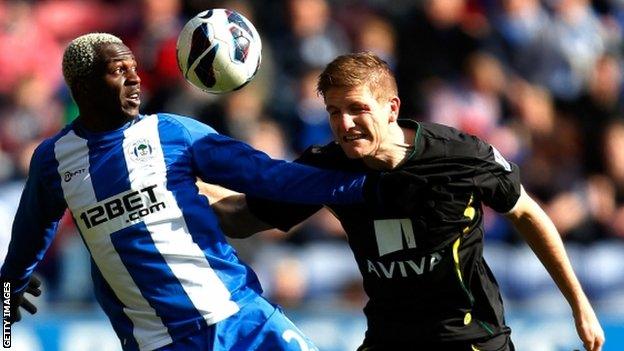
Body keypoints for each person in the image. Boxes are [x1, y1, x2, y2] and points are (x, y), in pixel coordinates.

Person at [0, 33, 420, 351]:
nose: (134, 79)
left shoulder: (173, 133)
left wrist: (367, 183)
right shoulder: (54, 160)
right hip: (158, 341)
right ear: (84, 86)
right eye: (118, 70)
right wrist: (5, 305)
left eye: (133, 67)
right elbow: (27, 240)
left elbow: (272, 177)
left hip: (241, 318)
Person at [210, 52, 606, 351]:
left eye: (357, 109)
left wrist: (579, 305)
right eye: (334, 112)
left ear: (391, 108)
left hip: (468, 338)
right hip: (389, 340)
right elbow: (245, 216)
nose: (345, 124)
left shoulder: (459, 155)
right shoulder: (327, 168)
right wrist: (175, 187)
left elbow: (525, 212)